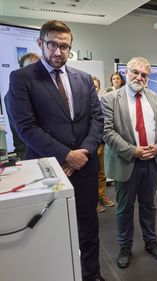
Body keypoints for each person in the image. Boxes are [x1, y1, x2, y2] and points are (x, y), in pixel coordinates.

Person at [7, 20, 105, 281]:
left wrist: (81, 153)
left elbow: (97, 120)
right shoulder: (22, 78)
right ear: (40, 43)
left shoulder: (83, 79)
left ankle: (92, 275)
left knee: (89, 229)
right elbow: (26, 127)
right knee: (51, 232)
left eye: (65, 47)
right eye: (52, 44)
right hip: (48, 169)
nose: (58, 52)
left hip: (84, 169)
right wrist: (66, 155)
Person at [101, 57, 157, 269]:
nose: (139, 77)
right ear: (126, 72)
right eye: (135, 72)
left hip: (151, 162)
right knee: (124, 208)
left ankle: (150, 241)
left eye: (144, 74)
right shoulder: (110, 99)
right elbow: (107, 131)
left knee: (149, 205)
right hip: (126, 162)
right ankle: (125, 246)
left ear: (148, 78)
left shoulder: (156, 98)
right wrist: (133, 151)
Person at [4, 52, 40, 160]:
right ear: (21, 70)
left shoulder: (41, 92)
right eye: (29, 68)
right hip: (27, 152)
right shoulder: (13, 95)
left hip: (46, 150)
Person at [92, 76, 115, 213]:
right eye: (92, 86)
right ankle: (93, 200)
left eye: (96, 86)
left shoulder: (102, 102)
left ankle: (103, 196)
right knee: (90, 175)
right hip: (87, 146)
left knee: (101, 173)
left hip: (101, 143)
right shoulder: (81, 103)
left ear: (99, 88)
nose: (94, 89)